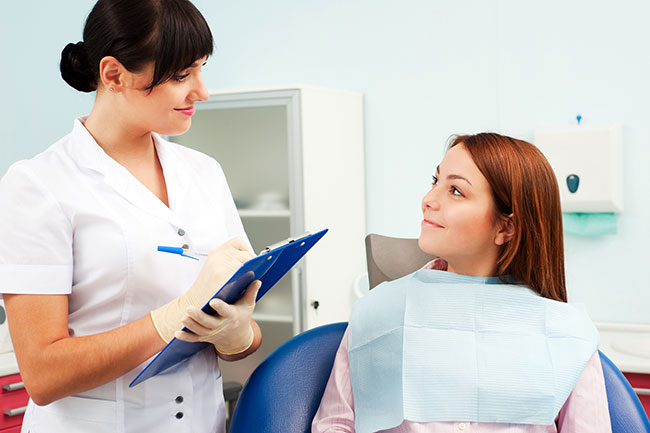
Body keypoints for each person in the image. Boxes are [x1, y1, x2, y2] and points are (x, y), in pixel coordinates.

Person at [0, 1, 262, 432]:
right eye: (181, 76)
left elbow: (242, 336)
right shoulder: (38, 184)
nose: (202, 91)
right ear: (113, 74)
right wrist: (174, 315)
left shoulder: (204, 173)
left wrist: (236, 335)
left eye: (201, 69)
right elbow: (42, 375)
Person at [312, 133, 612, 433]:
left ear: (506, 226)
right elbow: (334, 425)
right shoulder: (378, 313)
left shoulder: (567, 335)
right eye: (435, 181)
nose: (428, 200)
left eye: (456, 190)